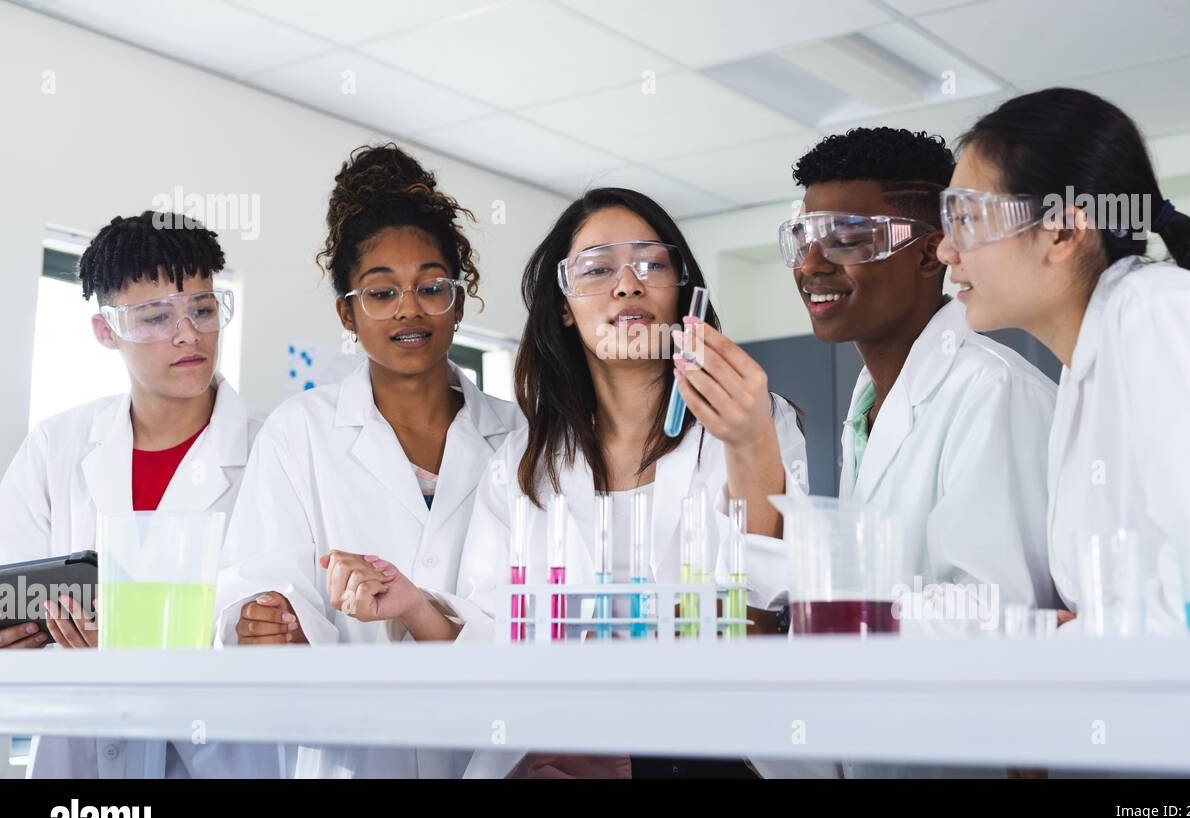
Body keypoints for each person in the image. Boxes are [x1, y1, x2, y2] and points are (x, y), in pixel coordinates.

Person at [446, 188, 808, 778]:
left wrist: (749, 443)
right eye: (596, 269)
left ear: (684, 293)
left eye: (651, 263)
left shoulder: (755, 420)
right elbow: (492, 635)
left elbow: (761, 611)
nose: (627, 285)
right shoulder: (520, 464)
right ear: (564, 306)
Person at [937, 87, 1190, 632]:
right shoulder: (1092, 354)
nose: (946, 250)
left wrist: (1070, 636)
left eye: (965, 218)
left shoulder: (1158, 313)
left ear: (1061, 231)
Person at [757, 127, 1059, 779]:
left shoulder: (991, 392)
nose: (810, 265)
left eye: (846, 238)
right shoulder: (871, 402)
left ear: (930, 254)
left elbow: (992, 622)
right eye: (803, 240)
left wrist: (813, 603)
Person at [215, 144, 523, 778]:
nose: (409, 308)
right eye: (381, 293)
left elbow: (530, 619)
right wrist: (269, 620)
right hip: (351, 757)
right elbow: (260, 579)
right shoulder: (299, 432)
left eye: (431, 287)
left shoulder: (522, 437)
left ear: (459, 302)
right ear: (347, 314)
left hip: (493, 757)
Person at [0, 212, 271, 777]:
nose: (187, 334)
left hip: (221, 760)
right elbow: (10, 593)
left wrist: (132, 653)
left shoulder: (274, 450)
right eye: (155, 317)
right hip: (76, 768)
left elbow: (279, 638)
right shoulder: (57, 447)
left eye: (202, 308)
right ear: (106, 331)